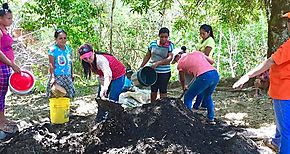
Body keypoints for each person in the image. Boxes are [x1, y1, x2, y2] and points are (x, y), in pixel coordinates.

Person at [233, 12, 290, 154]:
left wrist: (247, 76)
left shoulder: (289, 46)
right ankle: (276, 143)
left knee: (287, 131)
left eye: (289, 21)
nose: (287, 24)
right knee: (282, 123)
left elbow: (270, 61)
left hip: (284, 92)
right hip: (284, 91)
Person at [172, 50, 219, 125]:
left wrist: (184, 86)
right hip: (215, 74)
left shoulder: (181, 63)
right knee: (207, 96)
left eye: (175, 60)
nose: (176, 62)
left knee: (188, 97)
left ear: (177, 56)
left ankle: (188, 119)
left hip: (204, 76)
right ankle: (210, 118)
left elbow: (182, 79)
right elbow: (211, 61)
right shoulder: (197, 53)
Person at [0, 3, 21, 133]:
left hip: (6, 66)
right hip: (1, 67)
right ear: (0, 18)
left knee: (3, 95)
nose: (11, 20)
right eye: (8, 18)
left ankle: (3, 118)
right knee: (0, 95)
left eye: (11, 18)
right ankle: (1, 123)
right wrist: (12, 64)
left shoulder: (5, 30)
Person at [139, 27, 174, 102]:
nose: (164, 39)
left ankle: (163, 107)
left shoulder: (170, 45)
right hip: (153, 71)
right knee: (153, 90)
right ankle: (152, 105)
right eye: (162, 37)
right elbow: (147, 56)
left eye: (166, 37)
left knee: (163, 90)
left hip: (165, 71)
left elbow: (170, 58)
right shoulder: (153, 44)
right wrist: (141, 66)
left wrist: (158, 63)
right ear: (159, 36)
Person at [46, 29, 75, 99]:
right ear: (56, 39)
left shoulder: (68, 49)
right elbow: (51, 64)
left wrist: (72, 73)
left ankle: (65, 108)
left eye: (65, 38)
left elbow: (70, 62)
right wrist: (53, 77)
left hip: (67, 76)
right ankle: (56, 109)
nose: (63, 40)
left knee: (67, 95)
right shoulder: (53, 50)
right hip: (57, 76)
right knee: (56, 94)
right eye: (60, 38)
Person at [194, 24, 216, 110]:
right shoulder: (202, 41)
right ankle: (203, 103)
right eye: (200, 34)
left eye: (203, 34)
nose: (202, 35)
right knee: (203, 86)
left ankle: (197, 104)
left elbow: (206, 54)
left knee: (202, 85)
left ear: (208, 33)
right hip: (199, 64)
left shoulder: (210, 41)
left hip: (206, 64)